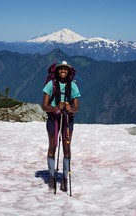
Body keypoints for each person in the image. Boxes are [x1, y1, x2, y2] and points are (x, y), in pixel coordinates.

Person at [42, 61, 81, 192]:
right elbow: (44, 106)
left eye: (65, 69)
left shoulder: (73, 86)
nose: (63, 71)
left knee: (66, 147)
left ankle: (63, 178)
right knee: (52, 146)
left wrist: (69, 108)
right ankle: (53, 177)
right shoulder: (50, 85)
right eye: (61, 69)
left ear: (69, 71)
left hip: (66, 119)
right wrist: (56, 108)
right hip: (54, 119)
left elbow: (77, 107)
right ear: (57, 71)